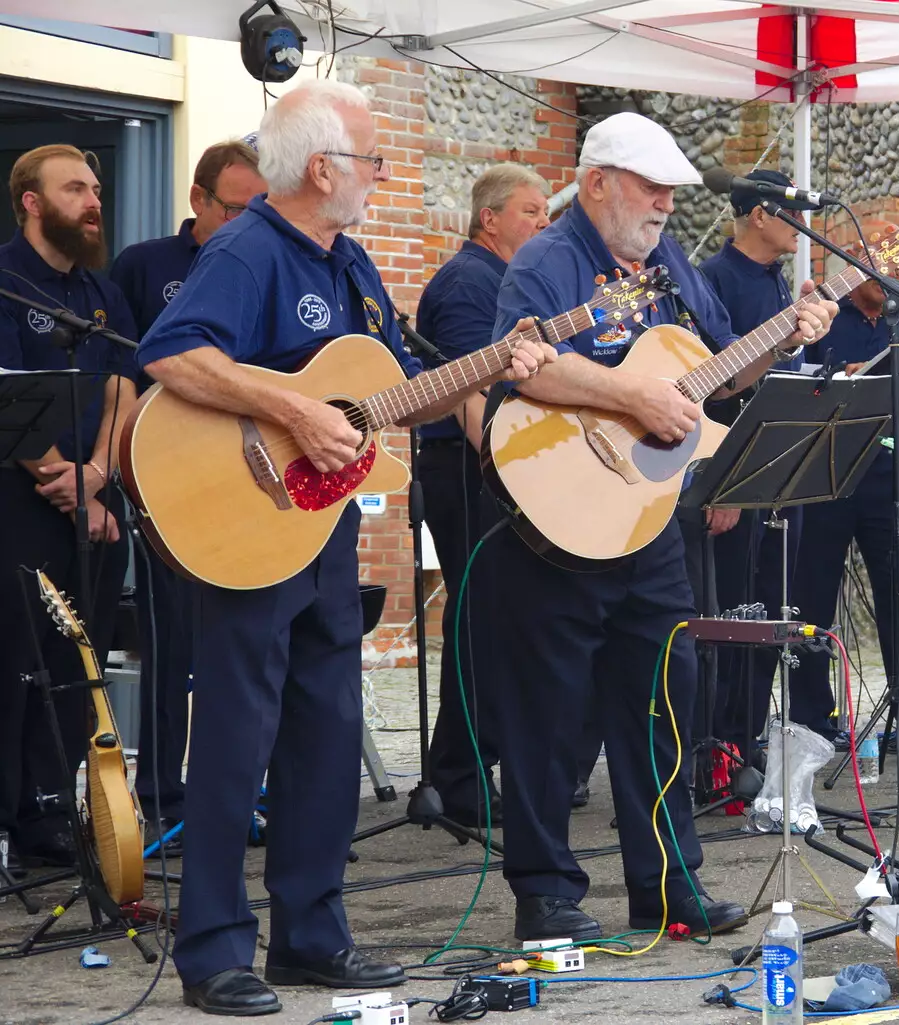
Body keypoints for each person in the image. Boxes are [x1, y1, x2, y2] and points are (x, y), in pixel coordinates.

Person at [138, 80, 555, 1015]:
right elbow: (172, 352)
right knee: (238, 739)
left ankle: (311, 935)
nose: (382, 173)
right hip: (246, 523)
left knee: (325, 734)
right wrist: (292, 408)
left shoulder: (352, 262)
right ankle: (212, 950)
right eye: (371, 159)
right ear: (322, 167)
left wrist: (501, 361)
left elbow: (401, 389)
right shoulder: (250, 247)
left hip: (322, 530)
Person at [483, 112, 836, 943]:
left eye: (672, 190)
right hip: (559, 522)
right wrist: (631, 395)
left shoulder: (667, 263)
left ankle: (668, 880)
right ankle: (545, 890)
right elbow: (521, 360)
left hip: (647, 525)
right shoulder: (548, 259)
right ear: (597, 181)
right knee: (548, 714)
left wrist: (785, 335)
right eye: (649, 186)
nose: (665, 203)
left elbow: (714, 369)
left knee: (664, 702)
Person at [110, 139, 267, 847]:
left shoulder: (268, 259)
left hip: (252, 476)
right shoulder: (143, 266)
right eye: (236, 206)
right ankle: (163, 793)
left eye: (258, 207)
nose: (247, 220)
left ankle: (237, 795)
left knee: (244, 644)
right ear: (199, 200)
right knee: (169, 639)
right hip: (172, 477)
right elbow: (121, 372)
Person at [0, 143, 138, 869]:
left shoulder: (101, 292)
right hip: (18, 506)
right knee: (16, 662)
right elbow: (5, 397)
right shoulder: (5, 281)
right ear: (31, 200)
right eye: (75, 187)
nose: (93, 200)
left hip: (91, 505)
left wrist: (96, 474)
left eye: (95, 187)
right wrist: (64, 484)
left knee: (75, 663)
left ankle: (53, 816)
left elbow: (125, 387)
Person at [413, 163, 550, 826]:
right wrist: (516, 480)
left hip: (493, 466)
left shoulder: (502, 279)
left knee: (493, 620)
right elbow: (474, 392)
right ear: (489, 218)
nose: (543, 225)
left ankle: (466, 768)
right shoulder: (470, 280)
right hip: (470, 470)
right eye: (532, 212)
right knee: (478, 622)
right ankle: (461, 777)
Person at [787, 225, 899, 761]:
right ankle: (814, 721)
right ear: (854, 261)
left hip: (883, 468)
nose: (892, 276)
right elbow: (795, 387)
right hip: (822, 470)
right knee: (813, 598)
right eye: (882, 264)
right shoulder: (822, 308)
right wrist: (850, 378)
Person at [690, 169, 808, 763]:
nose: (804, 225)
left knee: (771, 615)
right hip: (734, 473)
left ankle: (749, 737)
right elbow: (715, 390)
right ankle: (716, 748)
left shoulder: (780, 281)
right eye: (790, 212)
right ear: (759, 214)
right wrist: (722, 483)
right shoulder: (713, 280)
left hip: (781, 471)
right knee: (731, 614)